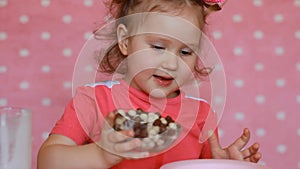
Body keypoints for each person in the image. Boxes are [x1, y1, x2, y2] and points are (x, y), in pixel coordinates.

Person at [37, 0, 262, 169]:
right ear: (126, 41)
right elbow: (47, 162)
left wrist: (223, 164)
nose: (171, 63)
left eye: (185, 52)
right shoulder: (94, 101)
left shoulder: (200, 114)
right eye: (157, 47)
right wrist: (101, 154)